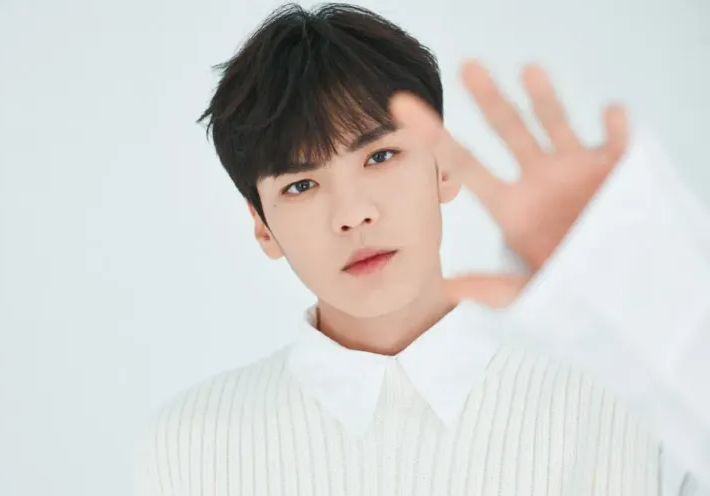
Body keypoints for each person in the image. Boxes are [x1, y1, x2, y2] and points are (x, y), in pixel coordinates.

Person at [134, 3, 710, 495]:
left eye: (380, 156)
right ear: (262, 227)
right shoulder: (190, 446)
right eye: (301, 185)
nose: (353, 213)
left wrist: (638, 277)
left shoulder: (627, 392)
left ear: (444, 166)